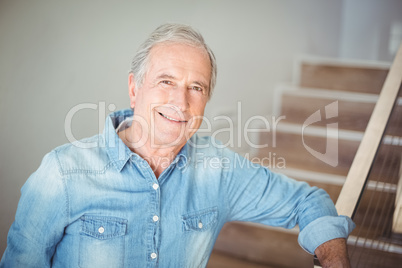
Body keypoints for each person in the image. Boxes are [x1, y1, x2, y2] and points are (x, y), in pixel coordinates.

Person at [1, 23, 354, 267]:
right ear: (135, 88)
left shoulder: (219, 170)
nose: (181, 102)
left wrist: (334, 259)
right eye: (166, 81)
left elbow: (307, 202)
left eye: (196, 87)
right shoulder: (62, 173)